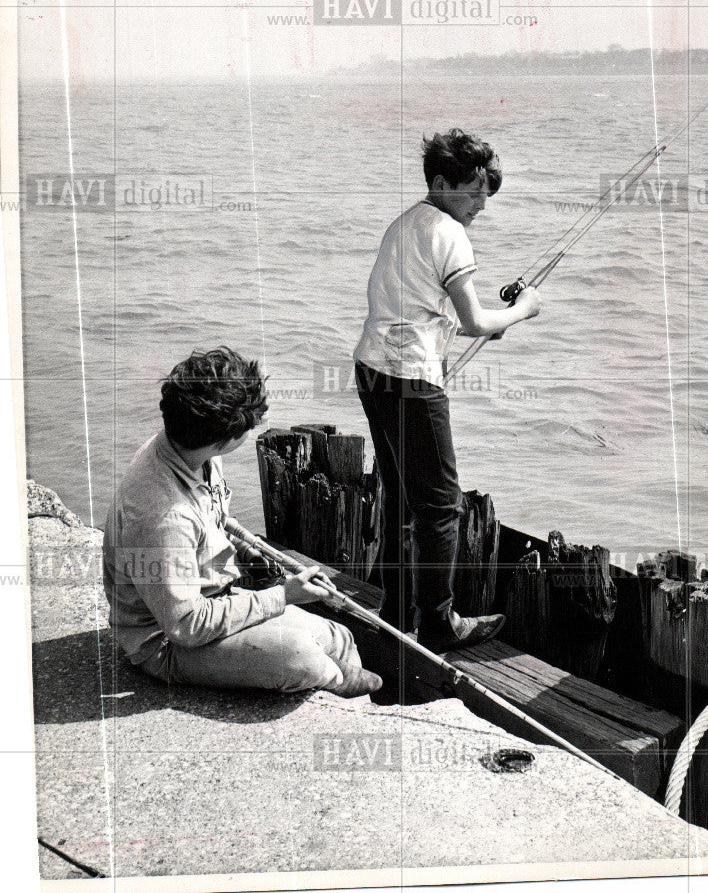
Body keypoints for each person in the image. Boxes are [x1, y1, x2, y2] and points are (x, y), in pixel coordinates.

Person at [353, 128, 542, 652]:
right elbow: (477, 319)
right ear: (440, 182)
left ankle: (395, 611)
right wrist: (523, 309)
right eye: (474, 191)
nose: (482, 203)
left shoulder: (403, 224)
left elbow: (411, 304)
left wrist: (470, 324)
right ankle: (437, 624)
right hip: (412, 379)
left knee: (397, 496)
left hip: (372, 368)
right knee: (440, 509)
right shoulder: (451, 233)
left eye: (487, 192)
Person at [103, 346, 382, 698]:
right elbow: (187, 626)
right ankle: (336, 684)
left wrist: (245, 548)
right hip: (166, 642)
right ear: (224, 439)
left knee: (338, 636)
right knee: (302, 657)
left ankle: (351, 693)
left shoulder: (192, 452)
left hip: (213, 597)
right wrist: (284, 595)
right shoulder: (163, 516)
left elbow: (212, 520)